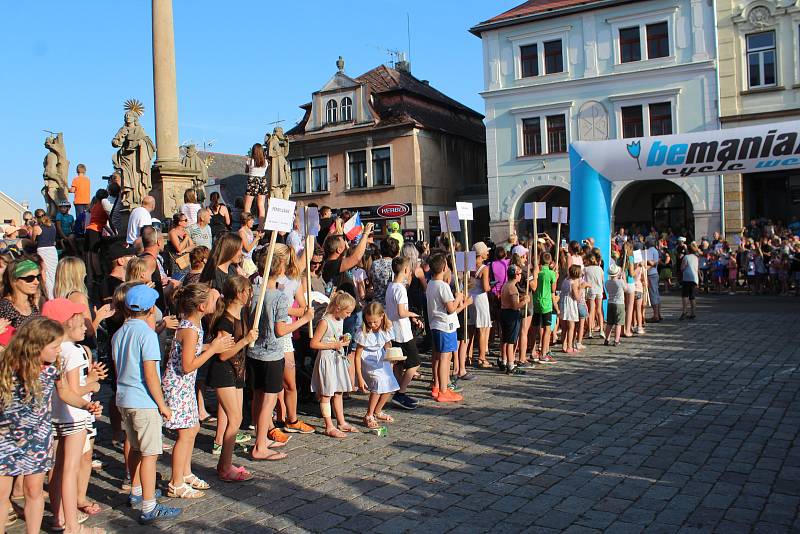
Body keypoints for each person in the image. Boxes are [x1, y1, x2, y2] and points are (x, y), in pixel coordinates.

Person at [0, 318, 103, 534]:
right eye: (55, 346)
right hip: (6, 439)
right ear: (37, 345)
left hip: (38, 438)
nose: (59, 351)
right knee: (1, 494)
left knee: (34, 490)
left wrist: (86, 404)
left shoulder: (51, 368)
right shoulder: (8, 366)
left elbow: (64, 392)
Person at [111, 284, 182, 524]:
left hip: (124, 398)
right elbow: (151, 374)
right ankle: (149, 505)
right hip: (143, 400)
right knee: (151, 454)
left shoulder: (119, 333)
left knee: (136, 447)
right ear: (151, 309)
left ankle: (136, 489)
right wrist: (162, 404)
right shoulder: (147, 335)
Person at [162, 284, 233, 499]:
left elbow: (190, 349)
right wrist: (212, 349)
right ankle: (175, 482)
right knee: (185, 433)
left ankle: (185, 472)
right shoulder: (191, 328)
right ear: (202, 306)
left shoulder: (194, 324)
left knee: (192, 429)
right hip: (178, 386)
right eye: (211, 300)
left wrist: (208, 346)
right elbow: (187, 365)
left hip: (185, 386)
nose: (216, 302)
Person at [43, 299, 107, 533]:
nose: (83, 326)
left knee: (56, 469)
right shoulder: (70, 351)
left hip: (53, 417)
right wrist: (93, 385)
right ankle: (71, 525)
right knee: (69, 470)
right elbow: (71, 390)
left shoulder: (50, 348)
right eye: (79, 322)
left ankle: (59, 517)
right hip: (72, 416)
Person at [249, 252, 313, 456]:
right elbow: (280, 330)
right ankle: (260, 446)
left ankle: (263, 439)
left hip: (255, 351)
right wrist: (305, 319)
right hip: (271, 353)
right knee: (268, 401)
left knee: (258, 398)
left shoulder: (253, 291)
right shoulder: (278, 296)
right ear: (280, 270)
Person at [208, 276, 258, 481]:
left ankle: (225, 464)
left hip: (237, 371)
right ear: (239, 294)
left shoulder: (241, 315)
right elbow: (222, 353)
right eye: (247, 290)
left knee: (235, 419)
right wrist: (245, 340)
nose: (250, 294)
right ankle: (224, 467)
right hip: (224, 371)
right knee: (235, 418)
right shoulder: (226, 321)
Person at [273, 245, 315, 435]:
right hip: (268, 333)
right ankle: (276, 416)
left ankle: (292, 418)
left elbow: (304, 309)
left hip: (286, 334)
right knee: (273, 382)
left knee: (290, 379)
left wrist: (281, 308)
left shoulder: (293, 280)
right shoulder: (261, 278)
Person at [310, 291, 358, 437]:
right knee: (327, 393)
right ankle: (329, 426)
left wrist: (342, 339)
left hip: (337, 358)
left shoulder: (339, 319)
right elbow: (314, 343)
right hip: (327, 360)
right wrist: (335, 344)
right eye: (347, 312)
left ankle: (341, 422)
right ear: (338, 308)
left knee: (338, 391)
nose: (349, 315)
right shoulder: (325, 321)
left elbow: (335, 337)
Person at [426, 253, 470, 403]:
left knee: (439, 357)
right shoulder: (442, 286)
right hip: (445, 325)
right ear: (444, 267)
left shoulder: (430, 283)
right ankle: (443, 390)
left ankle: (438, 386)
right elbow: (450, 308)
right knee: (446, 358)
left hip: (438, 324)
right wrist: (458, 297)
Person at [354, 301, 399, 429]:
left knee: (390, 384)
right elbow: (357, 356)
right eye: (369, 322)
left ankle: (377, 411)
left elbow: (387, 344)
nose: (372, 325)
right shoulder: (364, 333)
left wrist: (392, 356)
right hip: (368, 360)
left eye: (375, 322)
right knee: (379, 383)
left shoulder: (386, 328)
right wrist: (360, 377)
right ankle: (369, 414)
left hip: (381, 357)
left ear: (382, 317)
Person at [385, 256, 421, 411]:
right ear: (406, 270)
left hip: (394, 330)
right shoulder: (400, 288)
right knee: (414, 363)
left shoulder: (391, 286)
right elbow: (401, 312)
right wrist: (413, 315)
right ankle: (401, 392)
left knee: (399, 363)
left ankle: (399, 391)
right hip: (403, 332)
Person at [464, 241, 492, 373]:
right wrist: (492, 286)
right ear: (481, 254)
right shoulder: (484, 268)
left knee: (470, 328)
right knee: (483, 328)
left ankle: (468, 355)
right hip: (480, 298)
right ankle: (482, 357)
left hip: (470, 297)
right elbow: (486, 287)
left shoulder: (469, 266)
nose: (488, 253)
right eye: (486, 251)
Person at [500, 264, 527, 374]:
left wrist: (520, 298)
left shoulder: (506, 285)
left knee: (506, 340)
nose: (521, 276)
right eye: (520, 274)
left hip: (504, 313)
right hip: (511, 314)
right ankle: (510, 365)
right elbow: (515, 306)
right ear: (516, 275)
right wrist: (525, 301)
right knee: (510, 341)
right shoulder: (512, 287)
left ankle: (505, 361)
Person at [0, 258, 42, 328]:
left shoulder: (32, 303)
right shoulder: (4, 308)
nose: (36, 282)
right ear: (14, 280)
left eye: (38, 277)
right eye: (30, 278)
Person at [532, 252, 557, 364]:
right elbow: (553, 289)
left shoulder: (538, 273)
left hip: (536, 301)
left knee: (536, 328)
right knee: (547, 329)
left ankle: (533, 351)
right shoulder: (551, 273)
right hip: (546, 303)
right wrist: (555, 278)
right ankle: (543, 353)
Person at [32, 211, 58, 299]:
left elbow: (33, 241)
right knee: (54, 274)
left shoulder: (37, 227)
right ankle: (56, 295)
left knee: (44, 273)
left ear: (36, 217)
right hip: (52, 250)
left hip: (42, 250)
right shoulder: (53, 226)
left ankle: (50, 296)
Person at [243, 143, 268, 226]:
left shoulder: (250, 161)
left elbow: (246, 171)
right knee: (261, 205)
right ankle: (261, 226)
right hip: (262, 181)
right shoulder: (266, 162)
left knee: (247, 206)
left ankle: (248, 224)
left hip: (252, 181)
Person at [560, 265, 582, 354]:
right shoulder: (573, 283)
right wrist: (581, 288)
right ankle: (569, 347)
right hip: (570, 304)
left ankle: (564, 345)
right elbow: (576, 297)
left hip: (563, 303)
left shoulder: (566, 280)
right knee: (571, 327)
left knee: (564, 327)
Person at [603, 263, 625, 346]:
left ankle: (607, 339)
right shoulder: (620, 282)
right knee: (618, 323)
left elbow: (608, 292)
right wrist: (624, 279)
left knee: (609, 323)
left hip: (610, 302)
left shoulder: (607, 282)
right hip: (619, 303)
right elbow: (626, 289)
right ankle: (616, 340)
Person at [583, 253, 604, 340]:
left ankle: (590, 331)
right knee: (599, 310)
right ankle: (602, 330)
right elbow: (602, 280)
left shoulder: (586, 269)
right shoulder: (599, 269)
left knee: (591, 310)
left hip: (591, 290)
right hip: (599, 290)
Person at [680, 242, 700, 320]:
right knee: (692, 296)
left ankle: (684, 312)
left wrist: (682, 269)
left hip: (687, 278)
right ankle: (693, 313)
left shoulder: (686, 257)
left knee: (685, 295)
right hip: (694, 278)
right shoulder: (696, 257)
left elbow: (682, 267)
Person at [645, 237, 662, 322]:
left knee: (653, 295)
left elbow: (651, 263)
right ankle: (658, 314)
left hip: (651, 274)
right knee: (656, 294)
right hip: (655, 273)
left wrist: (645, 265)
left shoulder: (650, 251)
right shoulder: (655, 250)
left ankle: (656, 315)